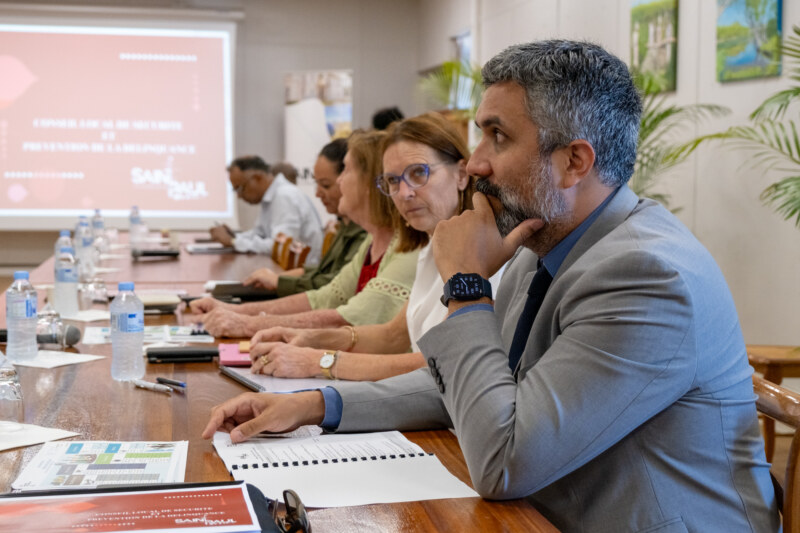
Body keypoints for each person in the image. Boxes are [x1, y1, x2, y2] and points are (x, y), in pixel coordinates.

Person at [202, 40, 778, 532]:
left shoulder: (648, 276)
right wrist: (313, 405)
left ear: (574, 162)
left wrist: (468, 285)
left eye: (497, 138)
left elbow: (506, 462)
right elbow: (461, 385)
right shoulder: (544, 243)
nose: (474, 164)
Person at [246, 113, 504, 382]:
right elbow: (393, 334)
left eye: (419, 173)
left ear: (462, 174)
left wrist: (320, 360)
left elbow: (440, 366)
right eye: (393, 181)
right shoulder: (432, 246)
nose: (404, 193)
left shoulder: (489, 251)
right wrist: (312, 338)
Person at [191, 130, 424, 339]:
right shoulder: (372, 242)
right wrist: (235, 311)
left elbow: (347, 317)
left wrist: (248, 322)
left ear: (369, 183)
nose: (340, 181)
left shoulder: (407, 243)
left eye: (347, 171)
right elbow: (323, 298)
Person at [243, 139, 367, 297]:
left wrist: (279, 281)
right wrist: (276, 278)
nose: (317, 193)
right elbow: (322, 271)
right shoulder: (346, 224)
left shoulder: (366, 231)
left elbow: (335, 285)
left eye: (326, 185)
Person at [209, 156, 324, 264]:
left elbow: (280, 247)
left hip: (304, 274)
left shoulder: (284, 196)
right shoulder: (271, 197)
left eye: (239, 188)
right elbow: (260, 234)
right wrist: (234, 237)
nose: (239, 196)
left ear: (257, 178)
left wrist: (234, 242)